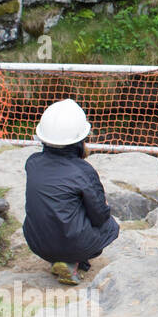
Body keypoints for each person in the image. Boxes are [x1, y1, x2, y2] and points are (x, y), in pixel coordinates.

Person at [23, 99, 120, 285]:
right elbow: (99, 216)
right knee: (110, 227)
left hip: (36, 242)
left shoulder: (32, 163)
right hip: (73, 244)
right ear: (80, 139)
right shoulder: (83, 171)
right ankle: (73, 262)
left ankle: (57, 258)